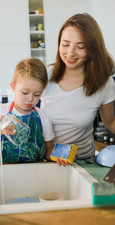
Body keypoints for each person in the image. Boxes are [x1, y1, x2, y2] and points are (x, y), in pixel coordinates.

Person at [41, 13, 115, 165]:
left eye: (80, 47)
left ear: (93, 49)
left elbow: (111, 122)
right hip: (48, 161)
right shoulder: (45, 76)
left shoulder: (103, 84)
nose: (70, 53)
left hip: (82, 162)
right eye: (65, 44)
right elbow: (20, 111)